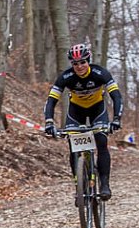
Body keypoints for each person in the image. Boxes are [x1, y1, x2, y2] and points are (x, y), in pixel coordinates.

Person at [42, 43, 123, 200]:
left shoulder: (101, 73)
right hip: (76, 112)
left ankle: (105, 184)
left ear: (88, 61)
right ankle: (79, 187)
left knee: (101, 140)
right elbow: (51, 100)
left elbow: (117, 96)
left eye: (82, 62)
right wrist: (49, 121)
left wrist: (116, 119)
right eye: (75, 63)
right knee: (73, 147)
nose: (79, 66)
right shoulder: (66, 77)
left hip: (97, 110)